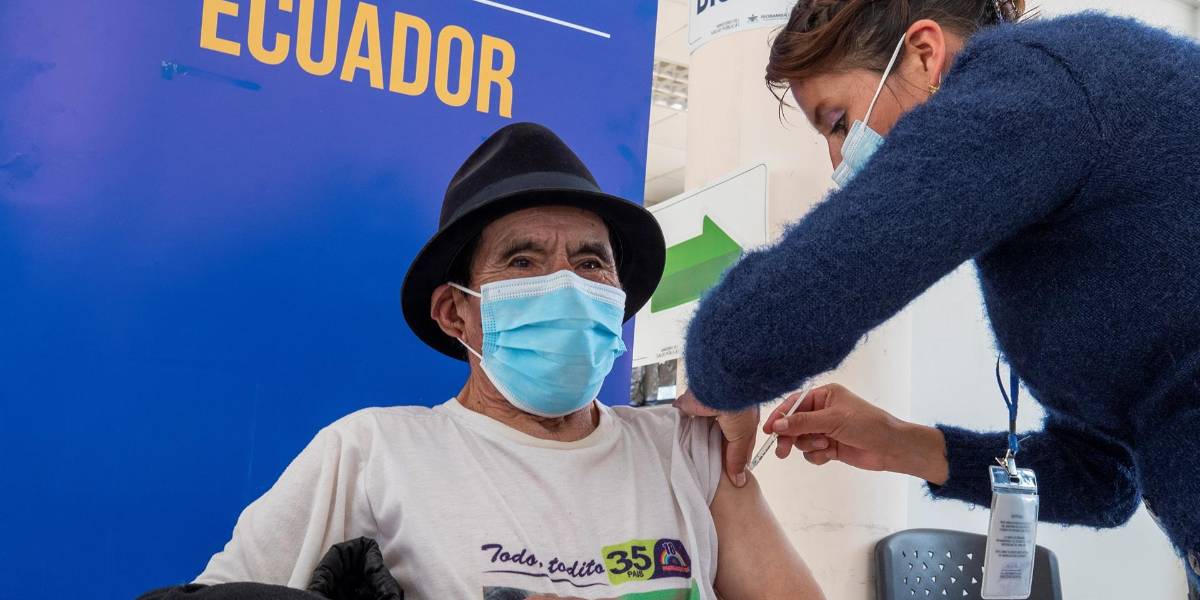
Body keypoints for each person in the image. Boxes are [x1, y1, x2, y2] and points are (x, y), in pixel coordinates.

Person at [677, 0, 1200, 586]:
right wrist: (898, 444)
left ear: (924, 54)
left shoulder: (1038, 78)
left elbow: (800, 300)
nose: (835, 157)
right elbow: (1105, 480)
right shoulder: (1064, 196)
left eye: (838, 121)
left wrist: (714, 377)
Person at [194, 123, 824, 599]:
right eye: (522, 261)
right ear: (454, 312)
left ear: (617, 298)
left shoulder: (687, 451)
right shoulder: (370, 454)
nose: (566, 284)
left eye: (590, 262)